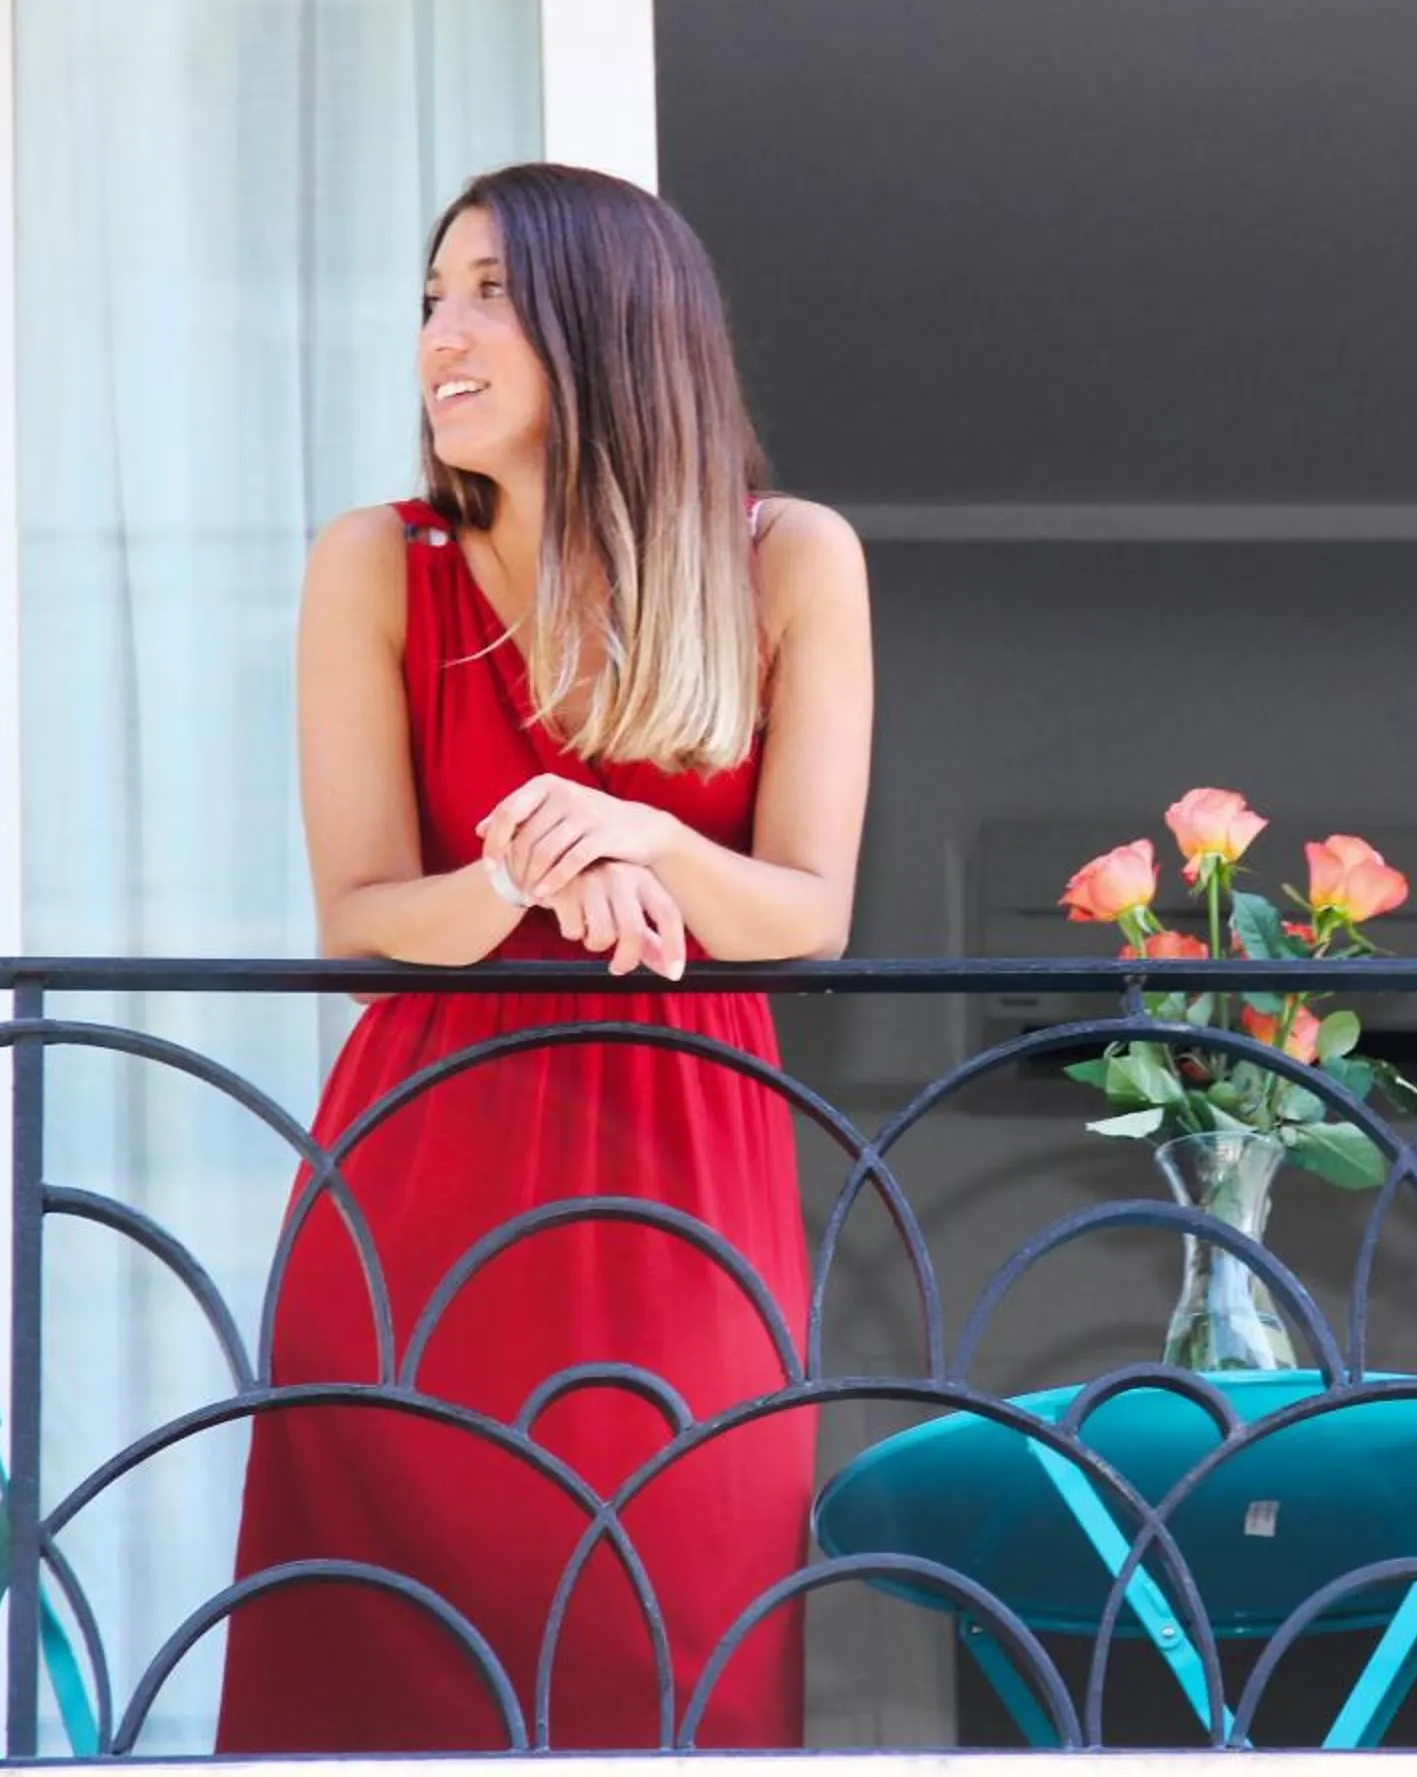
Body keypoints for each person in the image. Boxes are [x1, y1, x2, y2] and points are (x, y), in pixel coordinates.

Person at [216, 162, 872, 1752]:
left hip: (686, 1191)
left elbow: (806, 912)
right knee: (380, 1687)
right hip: (417, 1186)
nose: (440, 335)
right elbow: (363, 920)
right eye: (431, 298)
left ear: (612, 324)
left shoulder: (792, 558)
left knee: (681, 1648)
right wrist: (520, 865)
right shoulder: (374, 561)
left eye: (492, 295)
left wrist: (640, 838)